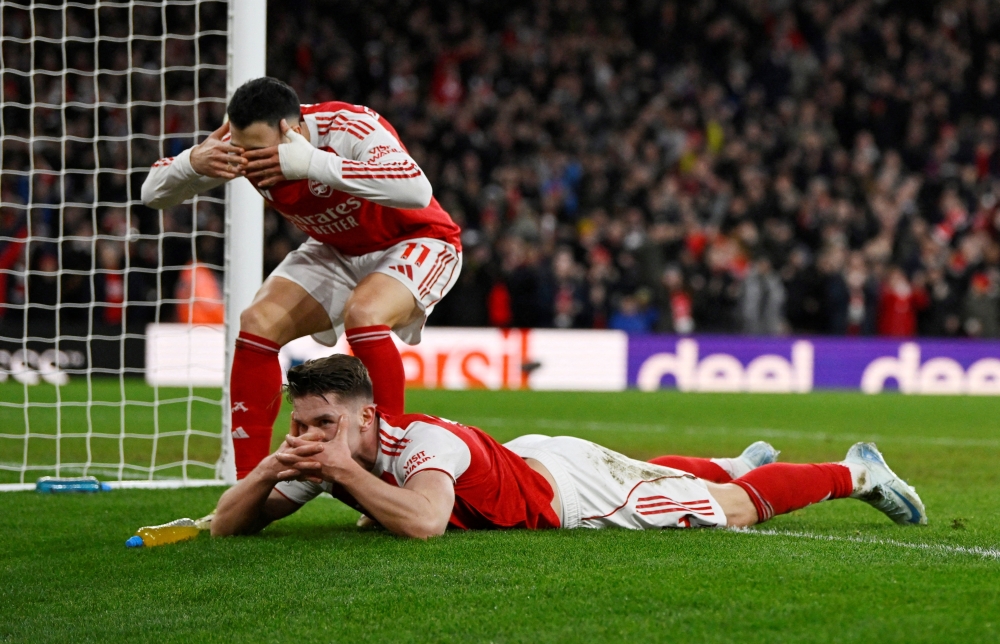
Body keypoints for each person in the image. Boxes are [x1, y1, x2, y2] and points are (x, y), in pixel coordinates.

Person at [210, 354, 927, 538]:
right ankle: (738, 458)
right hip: (529, 458)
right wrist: (273, 466)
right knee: (650, 472)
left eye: (323, 425)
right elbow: (228, 523)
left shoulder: (420, 444)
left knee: (727, 511)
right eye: (299, 426)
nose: (309, 439)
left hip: (567, 490)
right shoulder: (332, 450)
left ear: (367, 420)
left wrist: (343, 476)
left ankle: (852, 473)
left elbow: (425, 522)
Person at [142, 77, 462, 478]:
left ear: (289, 130)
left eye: (257, 151)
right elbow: (152, 192)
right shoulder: (241, 145)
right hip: (337, 247)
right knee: (256, 323)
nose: (246, 160)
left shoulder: (348, 126)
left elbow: (416, 189)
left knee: (364, 313)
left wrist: (313, 162)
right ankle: (248, 487)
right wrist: (192, 163)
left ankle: (389, 479)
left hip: (417, 238)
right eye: (240, 149)